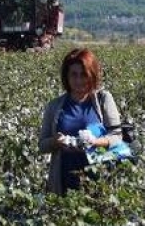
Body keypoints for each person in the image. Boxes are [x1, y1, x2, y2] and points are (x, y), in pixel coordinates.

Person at [39, 48, 124, 195]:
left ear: (92, 75)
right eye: (74, 75)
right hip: (64, 180)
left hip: (99, 180)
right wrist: (56, 142)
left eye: (83, 75)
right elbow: (42, 145)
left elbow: (117, 136)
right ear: (67, 76)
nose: (78, 80)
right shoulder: (54, 106)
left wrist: (95, 142)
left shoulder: (103, 100)